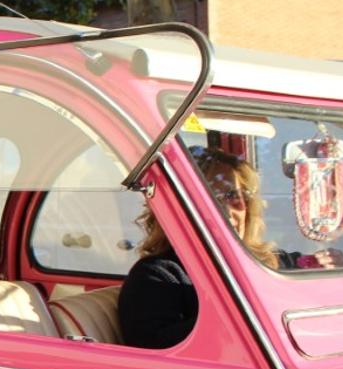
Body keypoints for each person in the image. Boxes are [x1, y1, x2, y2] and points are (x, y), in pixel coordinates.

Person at [119, 148, 277, 349]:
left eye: (232, 195)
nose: (226, 211)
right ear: (181, 210)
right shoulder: (157, 276)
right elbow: (156, 351)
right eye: (209, 198)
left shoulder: (268, 263)